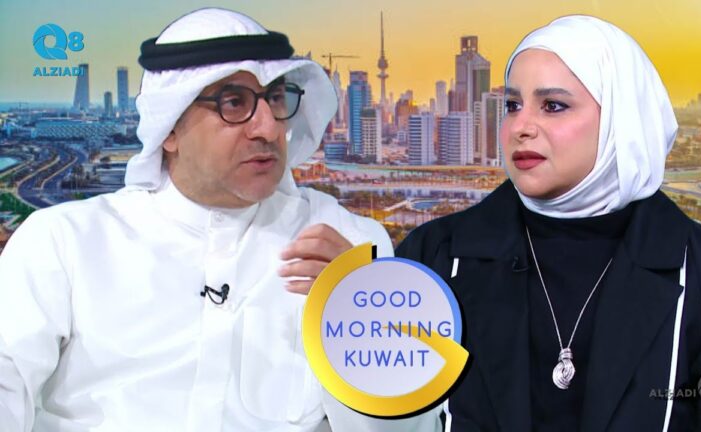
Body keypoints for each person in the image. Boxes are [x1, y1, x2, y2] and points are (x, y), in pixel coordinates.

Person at [0, 8, 440, 432]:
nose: (268, 128)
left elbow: (411, 429)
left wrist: (364, 315)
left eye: (274, 99)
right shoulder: (63, 244)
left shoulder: (351, 243)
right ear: (169, 129)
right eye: (233, 103)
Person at [396, 15, 701, 431]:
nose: (521, 127)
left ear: (621, 121)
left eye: (553, 106)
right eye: (513, 106)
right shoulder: (433, 255)